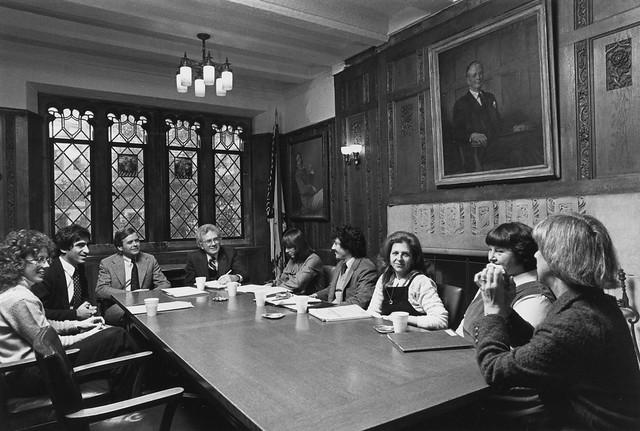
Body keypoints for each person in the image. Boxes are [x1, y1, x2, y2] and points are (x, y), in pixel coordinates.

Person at [474, 214, 640, 430]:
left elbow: (494, 370)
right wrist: (506, 309)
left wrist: (493, 312)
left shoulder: (577, 320)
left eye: (540, 248)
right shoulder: (591, 303)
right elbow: (541, 347)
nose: (534, 254)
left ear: (556, 258)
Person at [0, 229, 138, 398]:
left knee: (124, 355)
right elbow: (50, 344)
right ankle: (148, 384)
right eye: (39, 260)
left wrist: (79, 325)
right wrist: (87, 335)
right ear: (18, 262)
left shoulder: (17, 293)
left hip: (39, 365)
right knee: (118, 335)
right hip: (32, 373)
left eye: (46, 259)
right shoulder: (20, 299)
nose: (46, 265)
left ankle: (121, 407)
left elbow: (45, 328)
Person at [456, 222, 553, 341]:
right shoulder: (494, 280)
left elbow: (521, 348)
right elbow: (465, 322)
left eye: (499, 251)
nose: (491, 257)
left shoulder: (536, 296)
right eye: (490, 250)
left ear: (521, 254)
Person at [367, 231, 448, 329]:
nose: (399, 259)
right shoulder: (385, 278)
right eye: (395, 253)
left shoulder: (421, 282)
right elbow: (373, 312)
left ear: (414, 258)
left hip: (416, 339)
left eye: (405, 254)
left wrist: (403, 319)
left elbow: (441, 320)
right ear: (389, 256)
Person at [96, 227, 171, 325]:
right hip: (120, 305)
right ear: (120, 247)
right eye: (130, 242)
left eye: (137, 241)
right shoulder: (107, 263)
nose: (135, 244)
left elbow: (165, 284)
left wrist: (148, 296)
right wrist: (131, 294)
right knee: (132, 317)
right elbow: (101, 289)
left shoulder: (150, 259)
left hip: (145, 303)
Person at [32, 224, 97, 321]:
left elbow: (85, 297)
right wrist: (75, 314)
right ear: (63, 248)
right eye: (80, 245)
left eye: (87, 245)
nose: (87, 251)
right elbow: (38, 311)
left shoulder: (80, 267)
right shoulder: (47, 272)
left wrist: (88, 307)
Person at [452, 60, 500, 172]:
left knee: (520, 150)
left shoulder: (490, 97)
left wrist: (516, 126)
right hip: (480, 150)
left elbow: (499, 122)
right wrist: (471, 135)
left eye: (480, 73)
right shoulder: (461, 103)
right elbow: (456, 133)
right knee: (521, 145)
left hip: (497, 143)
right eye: (474, 75)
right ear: (468, 80)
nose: (478, 77)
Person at [313, 225, 377, 308]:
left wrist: (332, 307)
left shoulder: (366, 268)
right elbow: (332, 289)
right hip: (333, 312)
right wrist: (313, 296)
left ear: (348, 246)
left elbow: (361, 300)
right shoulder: (340, 264)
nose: (332, 247)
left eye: (336, 244)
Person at [274, 228, 324, 295]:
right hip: (293, 297)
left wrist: (277, 289)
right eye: (285, 247)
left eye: (289, 247)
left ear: (298, 246)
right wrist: (272, 286)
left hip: (310, 300)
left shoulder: (313, 259)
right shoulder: (293, 259)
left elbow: (298, 284)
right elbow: (282, 279)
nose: (286, 251)